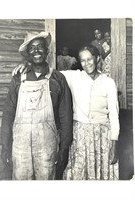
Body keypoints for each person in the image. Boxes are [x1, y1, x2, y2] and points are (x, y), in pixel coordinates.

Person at [13, 45, 120, 180]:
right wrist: (28, 63)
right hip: (80, 136)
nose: (87, 64)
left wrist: (114, 143)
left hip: (103, 136)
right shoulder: (74, 77)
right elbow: (47, 71)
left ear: (97, 58)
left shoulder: (108, 82)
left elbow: (114, 115)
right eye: (83, 60)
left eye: (90, 59)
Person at [0, 31, 73, 180]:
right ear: (27, 54)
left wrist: (64, 149)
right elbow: (8, 115)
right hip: (20, 149)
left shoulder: (58, 79)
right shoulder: (18, 79)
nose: (36, 51)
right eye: (32, 48)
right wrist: (5, 145)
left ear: (47, 51)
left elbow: (66, 117)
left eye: (40, 46)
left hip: (48, 148)